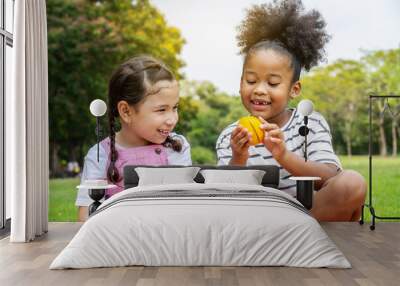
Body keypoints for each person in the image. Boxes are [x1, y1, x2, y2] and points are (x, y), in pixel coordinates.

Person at [216, 0, 365, 222]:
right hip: (260, 220)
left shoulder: (309, 123)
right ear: (240, 84)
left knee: (352, 182)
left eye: (273, 83)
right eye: (251, 80)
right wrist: (239, 156)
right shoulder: (231, 136)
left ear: (294, 89)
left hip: (312, 215)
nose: (259, 90)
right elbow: (226, 195)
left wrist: (283, 155)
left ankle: (294, 241)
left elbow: (330, 176)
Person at [76, 56, 192, 221]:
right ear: (126, 111)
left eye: (175, 108)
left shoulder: (177, 147)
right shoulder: (100, 156)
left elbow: (185, 206)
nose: (172, 119)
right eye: (161, 110)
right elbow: (85, 218)